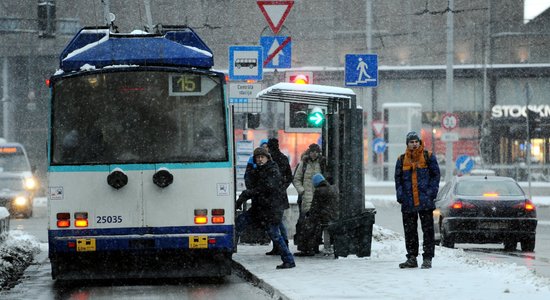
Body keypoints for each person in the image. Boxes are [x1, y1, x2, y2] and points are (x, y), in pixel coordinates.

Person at [236, 147, 296, 269]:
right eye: (257, 157)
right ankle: (227, 251)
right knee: (239, 223)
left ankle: (289, 259)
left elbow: (266, 188)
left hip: (270, 209)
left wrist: (248, 193)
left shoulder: (272, 170)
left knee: (275, 234)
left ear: (267, 158)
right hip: (260, 208)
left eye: (262, 157)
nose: (260, 159)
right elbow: (252, 185)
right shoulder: (259, 170)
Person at [394, 131, 440, 269]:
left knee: (428, 231)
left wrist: (431, 193)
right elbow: (398, 180)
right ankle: (412, 258)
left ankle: (427, 258)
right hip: (408, 202)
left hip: (425, 201)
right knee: (410, 232)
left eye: (416, 142)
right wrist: (400, 195)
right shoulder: (401, 160)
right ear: (407, 144)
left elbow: (436, 176)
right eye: (411, 142)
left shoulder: (428, 156)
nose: (414, 144)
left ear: (420, 143)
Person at [292, 143, 326, 256]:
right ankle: (305, 247)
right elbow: (296, 179)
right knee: (305, 223)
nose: (314, 154)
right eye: (312, 151)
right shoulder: (304, 163)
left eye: (316, 152)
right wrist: (302, 191)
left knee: (316, 224)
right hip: (306, 198)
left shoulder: (322, 163)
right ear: (309, 152)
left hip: (319, 197)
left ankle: (314, 246)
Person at [264, 137, 293, 256]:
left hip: (271, 196)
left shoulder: (269, 160)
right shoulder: (283, 158)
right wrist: (283, 187)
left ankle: (279, 245)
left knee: (275, 222)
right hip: (280, 195)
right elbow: (289, 177)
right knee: (278, 221)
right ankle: (281, 244)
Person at [301, 173, 338, 256]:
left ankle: (309, 249)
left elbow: (314, 208)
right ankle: (314, 247)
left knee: (308, 225)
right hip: (333, 215)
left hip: (326, 216)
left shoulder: (319, 191)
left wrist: (309, 215)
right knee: (314, 223)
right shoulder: (331, 188)